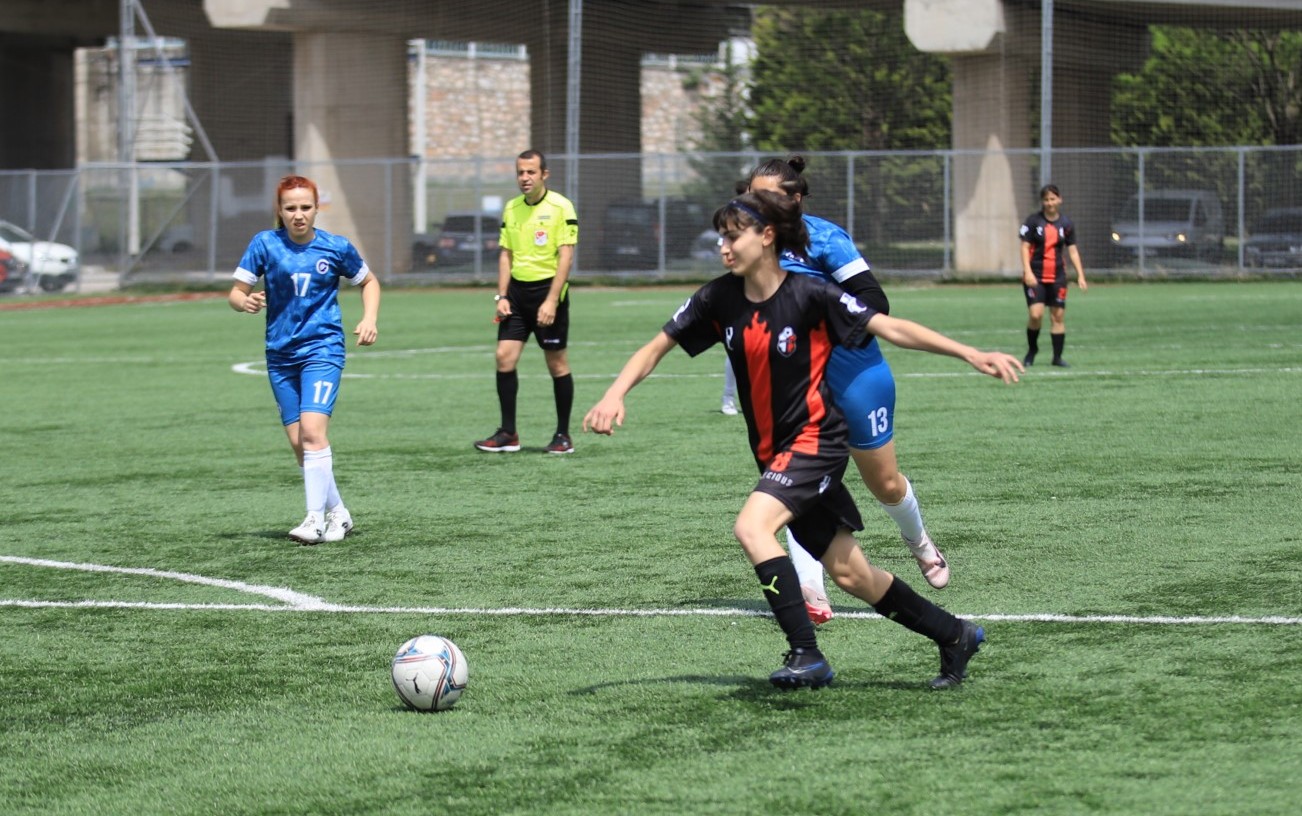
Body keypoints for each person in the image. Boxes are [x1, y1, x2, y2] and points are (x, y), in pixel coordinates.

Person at [584, 191, 1023, 690]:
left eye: (734, 236)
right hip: (777, 453)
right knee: (851, 574)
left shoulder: (810, 296)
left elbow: (890, 326)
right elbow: (657, 345)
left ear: (767, 236)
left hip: (817, 441)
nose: (723, 247)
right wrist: (615, 393)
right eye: (721, 237)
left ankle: (806, 655)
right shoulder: (718, 298)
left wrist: (970, 353)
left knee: (752, 527)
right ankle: (955, 635)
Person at [721, 156, 949, 628]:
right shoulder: (748, 244)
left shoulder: (824, 238)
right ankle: (809, 586)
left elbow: (876, 303)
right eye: (751, 196)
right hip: (801, 391)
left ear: (795, 199)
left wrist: (816, 329)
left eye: (767, 197)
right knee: (795, 485)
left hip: (857, 376)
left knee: (884, 483)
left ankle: (919, 541)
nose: (756, 205)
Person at [228, 174, 380, 544]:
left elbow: (369, 281)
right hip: (280, 355)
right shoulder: (264, 244)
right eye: (290, 208)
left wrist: (369, 318)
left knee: (314, 434)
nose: (299, 214)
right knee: (302, 445)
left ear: (317, 208)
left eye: (305, 207)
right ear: (279, 211)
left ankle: (313, 520)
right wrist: (243, 302)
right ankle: (339, 513)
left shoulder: (335, 247)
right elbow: (236, 291)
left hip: (322, 350)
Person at [475, 149, 580, 454]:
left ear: (544, 174)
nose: (525, 178)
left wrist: (550, 302)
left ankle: (563, 436)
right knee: (504, 357)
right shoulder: (511, 209)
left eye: (531, 172)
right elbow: (506, 254)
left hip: (549, 293)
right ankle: (508, 433)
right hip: (517, 296)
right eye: (521, 172)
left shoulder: (561, 207)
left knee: (557, 363)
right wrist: (502, 296)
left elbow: (566, 257)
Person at [1020, 184, 1088, 367]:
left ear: (1059, 200)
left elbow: (1072, 251)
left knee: (1057, 317)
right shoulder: (1033, 221)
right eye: (1046, 199)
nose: (1050, 203)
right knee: (1036, 314)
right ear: (1042, 202)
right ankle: (1032, 350)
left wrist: (1080, 275)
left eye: (1053, 199)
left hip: (1058, 277)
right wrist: (1027, 271)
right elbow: (1025, 247)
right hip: (1036, 276)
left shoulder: (1066, 224)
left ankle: (1057, 357)